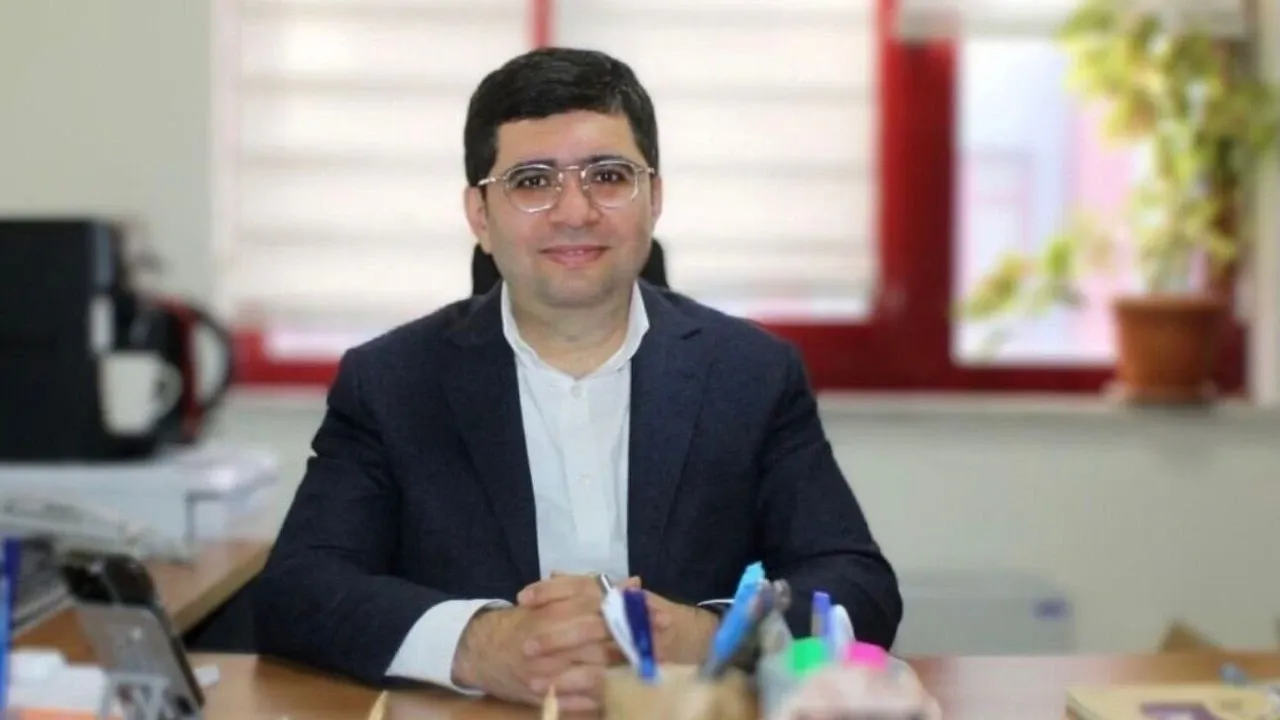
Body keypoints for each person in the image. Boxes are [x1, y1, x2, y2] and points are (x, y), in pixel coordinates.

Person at [253, 46, 902, 712]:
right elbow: (297, 591)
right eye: (532, 181)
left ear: (655, 198)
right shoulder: (392, 382)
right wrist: (479, 643)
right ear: (480, 215)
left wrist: (710, 638)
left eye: (609, 176)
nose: (574, 211)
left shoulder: (749, 374)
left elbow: (860, 588)